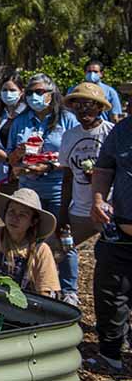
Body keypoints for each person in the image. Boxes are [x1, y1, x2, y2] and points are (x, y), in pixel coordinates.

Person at [7, 73, 79, 305]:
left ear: (52, 94)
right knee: (31, 237)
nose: (34, 97)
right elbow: (11, 158)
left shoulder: (67, 119)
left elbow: (75, 154)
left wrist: (48, 165)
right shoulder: (20, 121)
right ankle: (35, 283)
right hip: (30, 190)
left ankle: (69, 289)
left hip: (59, 188)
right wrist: (18, 159)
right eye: (29, 93)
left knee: (64, 237)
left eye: (39, 92)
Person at [87, 106, 132, 375]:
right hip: (119, 234)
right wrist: (98, 199)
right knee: (110, 297)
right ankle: (111, 355)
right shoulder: (123, 130)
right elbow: (104, 168)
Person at [56, 83, 114, 294]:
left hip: (108, 211)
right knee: (55, 248)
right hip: (79, 209)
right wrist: (63, 214)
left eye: (88, 104)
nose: (83, 110)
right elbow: (68, 176)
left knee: (113, 263)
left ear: (99, 107)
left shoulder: (111, 133)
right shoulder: (70, 136)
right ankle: (62, 293)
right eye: (77, 105)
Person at [0, 188, 60, 297]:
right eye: (11, 211)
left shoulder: (40, 249)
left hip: (23, 307)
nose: (14, 218)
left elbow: (44, 292)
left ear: (33, 221)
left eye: (22, 215)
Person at [0, 72, 26, 195]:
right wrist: (9, 160)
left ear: (21, 91)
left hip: (26, 173)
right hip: (5, 174)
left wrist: (18, 162)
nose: (8, 94)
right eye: (5, 90)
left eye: (12, 90)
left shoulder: (28, 114)